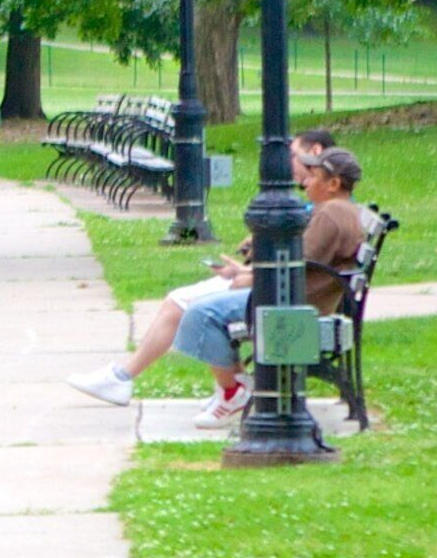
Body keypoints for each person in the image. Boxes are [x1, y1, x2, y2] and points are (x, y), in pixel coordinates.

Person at [66, 144, 371, 419]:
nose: (305, 180)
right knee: (198, 306)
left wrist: (251, 278)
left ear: (332, 184)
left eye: (314, 176)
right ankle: (236, 389)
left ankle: (233, 392)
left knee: (202, 312)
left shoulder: (331, 215)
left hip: (291, 306)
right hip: (292, 297)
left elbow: (296, 266)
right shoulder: (337, 211)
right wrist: (249, 274)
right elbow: (301, 265)